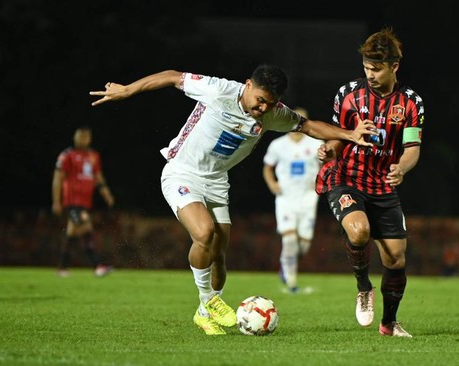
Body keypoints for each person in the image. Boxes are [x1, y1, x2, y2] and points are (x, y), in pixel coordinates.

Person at [89, 65, 376, 336]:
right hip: (182, 172)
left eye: (270, 103)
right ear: (248, 85)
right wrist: (127, 90)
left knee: (219, 257)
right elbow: (172, 76)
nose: (262, 108)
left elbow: (309, 126)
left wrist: (350, 135)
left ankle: (203, 312)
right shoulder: (218, 90)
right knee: (204, 233)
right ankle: (209, 300)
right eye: (260, 99)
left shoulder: (273, 113)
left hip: (216, 182)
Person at [316, 27, 424, 338]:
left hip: (383, 185)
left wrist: (401, 169)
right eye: (366, 67)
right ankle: (364, 287)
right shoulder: (348, 94)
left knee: (396, 257)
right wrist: (328, 149)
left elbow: (412, 149)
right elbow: (338, 136)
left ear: (394, 66)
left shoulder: (411, 103)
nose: (370, 74)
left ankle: (389, 324)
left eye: (376, 68)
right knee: (359, 230)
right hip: (346, 177)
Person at [262, 107, 323, 294]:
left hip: (308, 197)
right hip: (286, 198)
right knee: (289, 240)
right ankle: (291, 283)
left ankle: (285, 264)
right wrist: (272, 183)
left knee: (303, 245)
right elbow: (267, 167)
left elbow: (327, 164)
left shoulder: (316, 143)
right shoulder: (278, 145)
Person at [52, 126, 115, 277]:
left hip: (85, 202)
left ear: (89, 139)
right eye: (80, 136)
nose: (82, 139)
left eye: (85, 137)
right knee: (85, 225)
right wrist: (56, 201)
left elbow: (98, 177)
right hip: (71, 201)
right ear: (75, 137)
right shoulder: (67, 155)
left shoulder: (93, 156)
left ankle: (62, 267)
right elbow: (58, 179)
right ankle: (97, 266)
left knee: (72, 232)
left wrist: (106, 192)